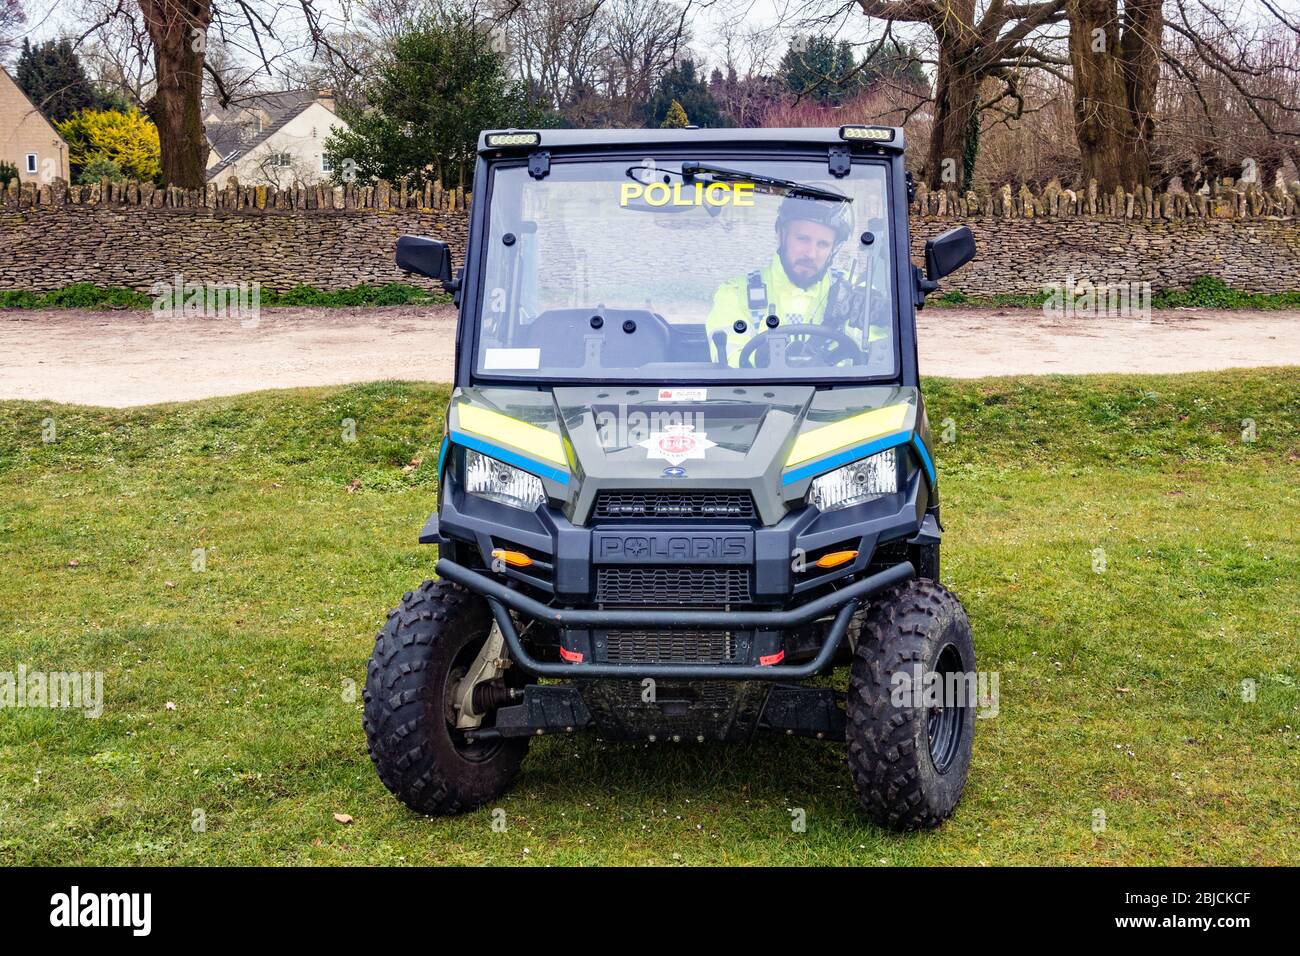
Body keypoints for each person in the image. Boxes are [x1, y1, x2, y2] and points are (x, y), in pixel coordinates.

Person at [706, 193, 884, 367]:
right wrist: (760, 358)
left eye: (823, 244)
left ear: (834, 249)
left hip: (840, 395)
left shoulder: (854, 290)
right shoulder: (735, 293)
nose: (811, 254)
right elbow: (728, 359)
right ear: (781, 234)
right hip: (761, 395)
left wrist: (881, 317)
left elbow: (881, 354)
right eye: (803, 239)